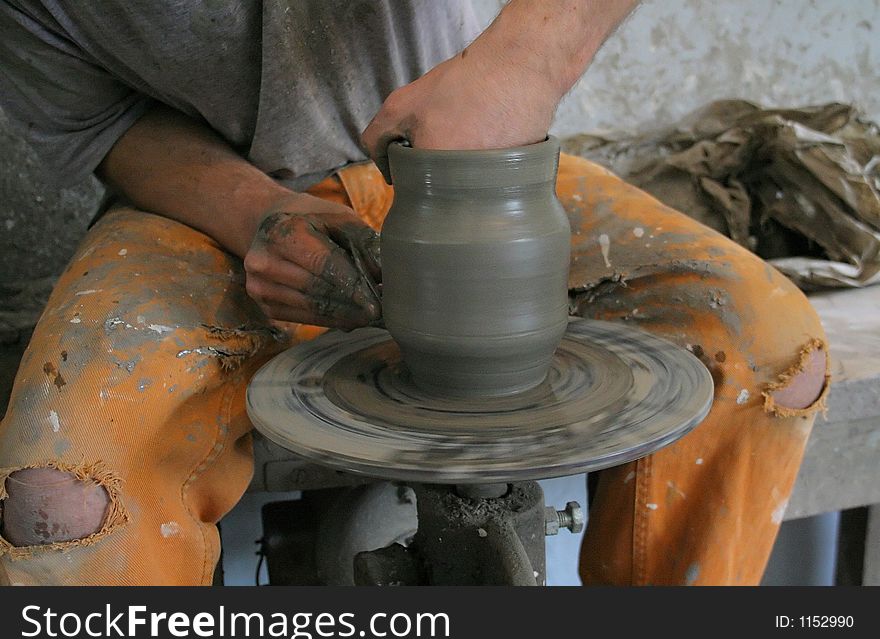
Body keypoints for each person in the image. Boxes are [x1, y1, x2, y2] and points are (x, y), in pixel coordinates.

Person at [0, 0, 829, 586]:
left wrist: (522, 60)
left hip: (473, 177)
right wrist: (253, 213)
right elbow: (103, 122)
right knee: (64, 493)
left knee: (769, 346)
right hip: (211, 207)